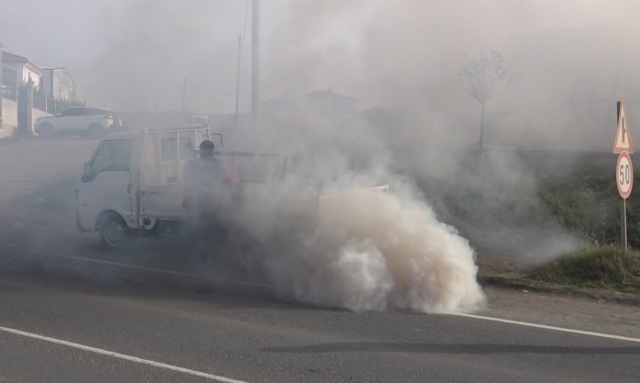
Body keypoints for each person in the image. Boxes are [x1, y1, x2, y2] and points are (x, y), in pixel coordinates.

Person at [181, 139, 230, 260]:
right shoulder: (217, 164)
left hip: (202, 202)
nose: (203, 151)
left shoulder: (195, 163)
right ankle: (208, 254)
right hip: (208, 202)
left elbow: (187, 182)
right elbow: (226, 182)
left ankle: (203, 254)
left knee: (200, 228)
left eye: (203, 149)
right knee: (207, 229)